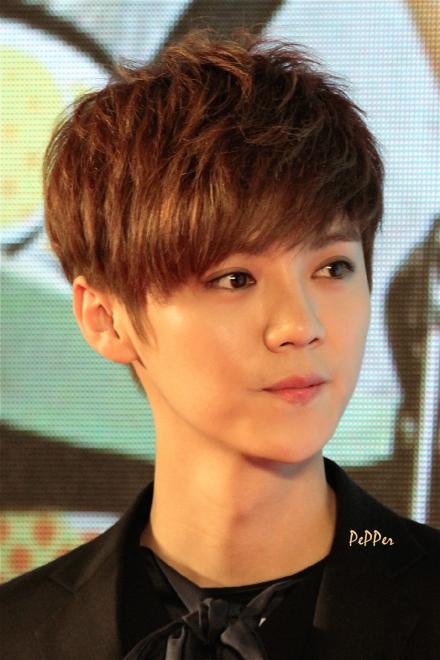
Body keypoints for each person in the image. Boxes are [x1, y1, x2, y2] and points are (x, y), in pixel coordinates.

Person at [1, 28, 439, 660]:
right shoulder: (19, 635)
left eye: (333, 267)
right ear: (105, 318)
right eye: (234, 279)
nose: (300, 325)